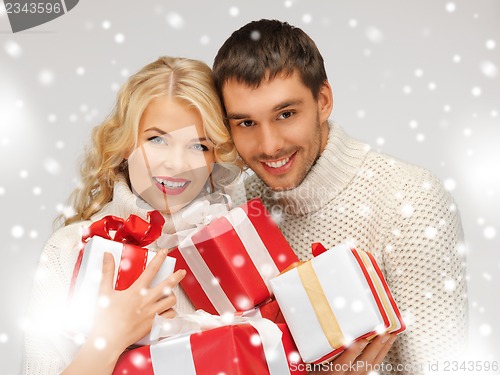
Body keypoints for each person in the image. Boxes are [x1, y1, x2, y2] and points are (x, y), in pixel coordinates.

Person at [213, 19, 467, 374]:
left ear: (323, 101)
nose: (269, 145)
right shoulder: (240, 204)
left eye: (286, 114)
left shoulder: (409, 200)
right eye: (246, 123)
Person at [22, 56, 241, 375]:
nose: (177, 164)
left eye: (198, 146)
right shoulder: (68, 248)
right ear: (126, 143)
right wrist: (110, 339)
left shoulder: (236, 246)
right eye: (157, 139)